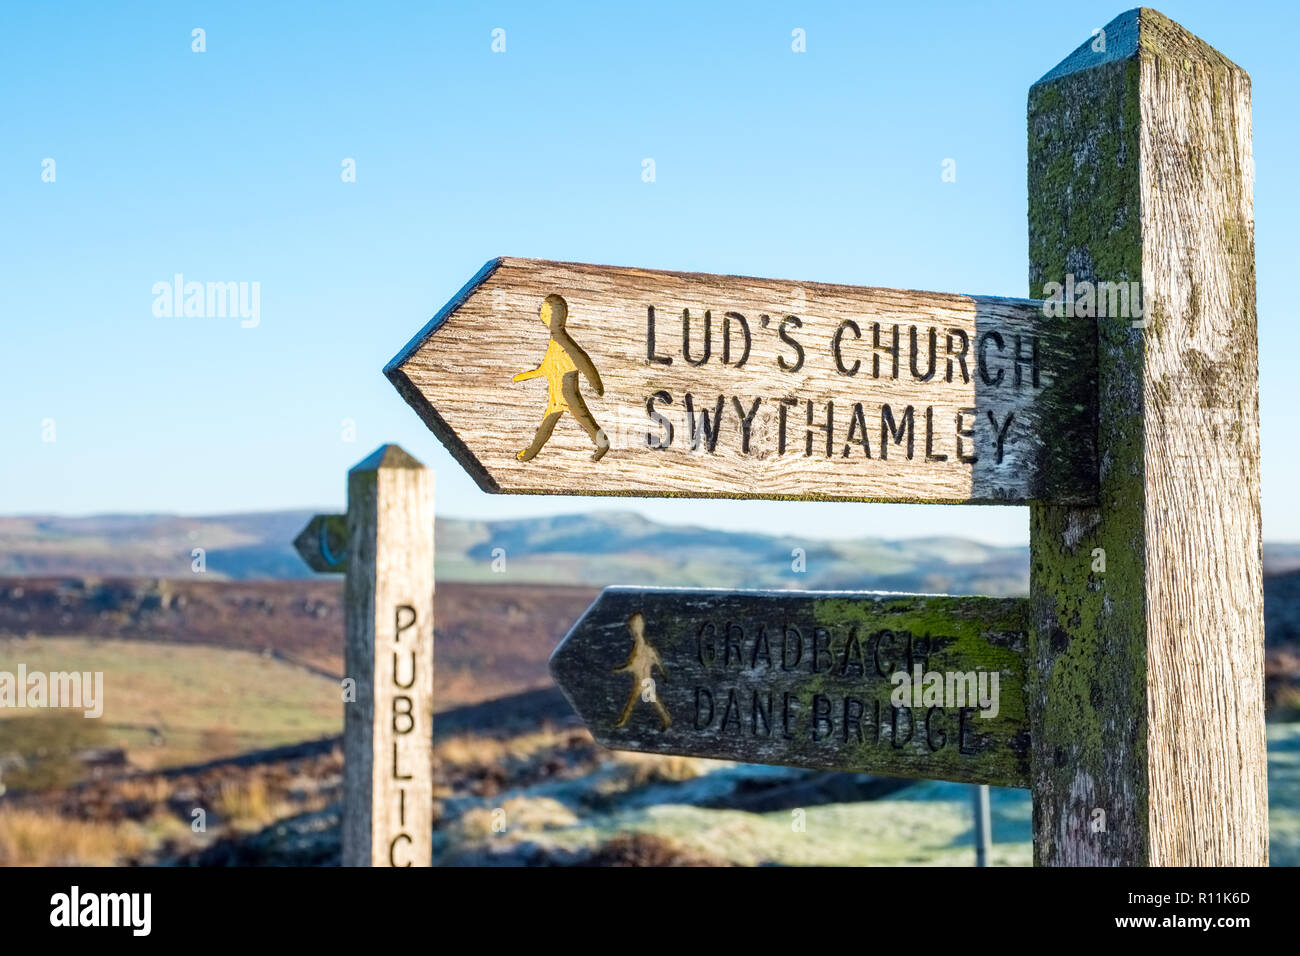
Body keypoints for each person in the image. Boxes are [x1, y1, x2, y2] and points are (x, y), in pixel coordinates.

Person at [512, 294, 609, 462]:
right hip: (556, 395)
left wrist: (596, 385)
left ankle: (604, 444)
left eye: (545, 312)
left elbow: (582, 360)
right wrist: (521, 377)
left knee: (587, 422)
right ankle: (529, 454)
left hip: (568, 394)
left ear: (554, 315)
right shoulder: (554, 339)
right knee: (546, 427)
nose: (541, 315)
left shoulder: (562, 340)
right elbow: (546, 369)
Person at [613, 612, 671, 729]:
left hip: (645, 681)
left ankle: (666, 720)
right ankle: (623, 721)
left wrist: (619, 671)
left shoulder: (645, 649)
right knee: (637, 702)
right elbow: (636, 665)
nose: (634, 632)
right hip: (641, 680)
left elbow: (638, 664)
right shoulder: (642, 648)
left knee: (638, 702)